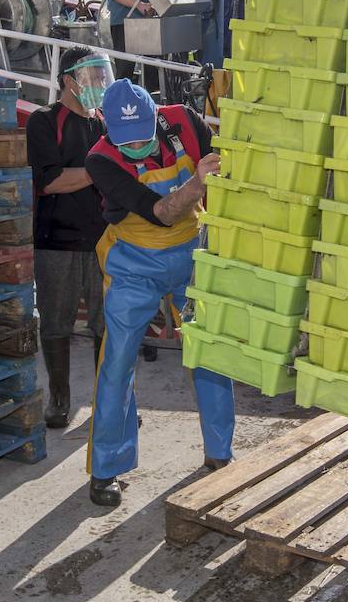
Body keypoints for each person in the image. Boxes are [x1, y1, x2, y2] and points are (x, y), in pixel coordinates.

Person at [82, 79, 234, 508]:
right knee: (117, 361)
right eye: (126, 142)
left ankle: (220, 454)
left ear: (157, 117)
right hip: (134, 264)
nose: (138, 148)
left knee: (210, 351)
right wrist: (198, 185)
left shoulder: (185, 121)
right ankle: (106, 468)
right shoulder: (100, 161)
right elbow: (162, 213)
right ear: (106, 128)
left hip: (191, 252)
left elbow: (225, 166)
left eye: (144, 138)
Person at [25, 47, 113, 429]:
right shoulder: (44, 121)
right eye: (92, 77)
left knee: (106, 323)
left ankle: (110, 401)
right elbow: (51, 181)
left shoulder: (105, 123)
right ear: (68, 82)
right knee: (56, 323)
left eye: (101, 75)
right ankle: (59, 399)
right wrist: (102, 169)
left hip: (102, 242)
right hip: (56, 241)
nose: (99, 84)